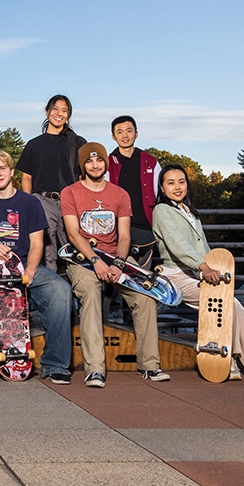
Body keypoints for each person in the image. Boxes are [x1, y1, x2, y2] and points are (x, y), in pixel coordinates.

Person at [152, 165, 244, 387]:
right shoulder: (161, 210)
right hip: (177, 275)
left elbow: (204, 246)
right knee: (228, 303)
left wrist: (210, 267)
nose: (177, 187)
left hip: (197, 272)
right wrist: (203, 267)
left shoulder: (188, 211)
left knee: (230, 305)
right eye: (170, 183)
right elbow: (178, 246)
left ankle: (233, 360)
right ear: (161, 187)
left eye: (181, 181)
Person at [61, 142, 167, 388]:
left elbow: (125, 236)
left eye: (99, 161)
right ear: (83, 165)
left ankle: (149, 365)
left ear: (105, 165)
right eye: (89, 161)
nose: (94, 165)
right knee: (90, 293)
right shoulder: (71, 192)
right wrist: (96, 260)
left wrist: (119, 263)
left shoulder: (119, 194)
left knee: (145, 297)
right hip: (83, 258)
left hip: (116, 257)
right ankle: (95, 369)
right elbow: (74, 234)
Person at [0, 151, 74, 384]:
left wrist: (31, 271)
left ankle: (56, 364)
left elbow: (37, 243)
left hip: (26, 264)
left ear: (11, 171)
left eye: (2, 168)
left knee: (60, 290)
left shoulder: (30, 202)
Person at [17, 95, 87, 272]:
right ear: (47, 111)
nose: (59, 113)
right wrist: (29, 204)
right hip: (43, 200)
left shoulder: (78, 142)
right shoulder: (34, 144)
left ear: (69, 115)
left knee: (73, 245)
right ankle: (53, 291)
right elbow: (27, 177)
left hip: (70, 199)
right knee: (47, 250)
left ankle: (77, 291)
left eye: (64, 110)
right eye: (55, 109)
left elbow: (83, 176)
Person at [107, 115, 161, 265]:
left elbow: (161, 195)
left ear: (136, 133)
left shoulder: (150, 161)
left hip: (145, 230)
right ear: (113, 136)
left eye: (129, 131)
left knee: (143, 277)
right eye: (119, 132)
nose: (125, 135)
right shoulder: (107, 163)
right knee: (117, 276)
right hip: (116, 232)